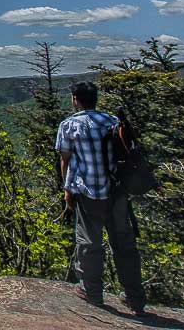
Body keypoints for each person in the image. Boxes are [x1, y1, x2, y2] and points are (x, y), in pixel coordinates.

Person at [56, 81, 146, 314]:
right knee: (124, 244)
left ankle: (92, 292)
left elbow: (65, 159)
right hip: (117, 193)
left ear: (75, 99)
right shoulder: (112, 121)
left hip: (88, 193)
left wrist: (67, 190)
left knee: (88, 243)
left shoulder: (69, 125)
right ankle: (134, 297)